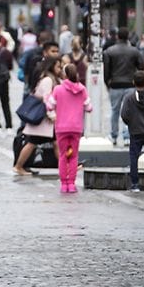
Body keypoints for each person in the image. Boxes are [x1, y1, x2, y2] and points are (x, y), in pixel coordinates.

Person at [46, 63, 91, 193]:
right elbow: (89, 107)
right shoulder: (82, 89)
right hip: (76, 128)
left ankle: (64, 184)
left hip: (61, 127)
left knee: (63, 155)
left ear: (65, 74)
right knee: (73, 156)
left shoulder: (58, 89)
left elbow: (50, 106)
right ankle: (71, 183)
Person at [14, 56, 62, 176]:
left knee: (55, 143)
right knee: (32, 143)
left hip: (46, 121)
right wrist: (52, 115)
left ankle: (65, 167)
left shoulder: (51, 79)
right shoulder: (48, 80)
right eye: (58, 66)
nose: (59, 69)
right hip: (43, 119)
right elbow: (47, 98)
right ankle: (18, 166)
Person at [103, 27, 144, 145]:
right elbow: (141, 66)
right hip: (130, 83)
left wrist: (108, 82)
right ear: (128, 37)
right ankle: (127, 136)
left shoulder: (109, 51)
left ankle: (114, 135)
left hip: (115, 84)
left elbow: (106, 70)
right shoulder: (134, 51)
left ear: (117, 36)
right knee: (130, 111)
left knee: (114, 110)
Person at [120, 71, 144, 192]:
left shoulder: (129, 98)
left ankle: (135, 184)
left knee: (134, 158)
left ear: (133, 82)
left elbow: (124, 114)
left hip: (135, 132)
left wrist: (131, 123)